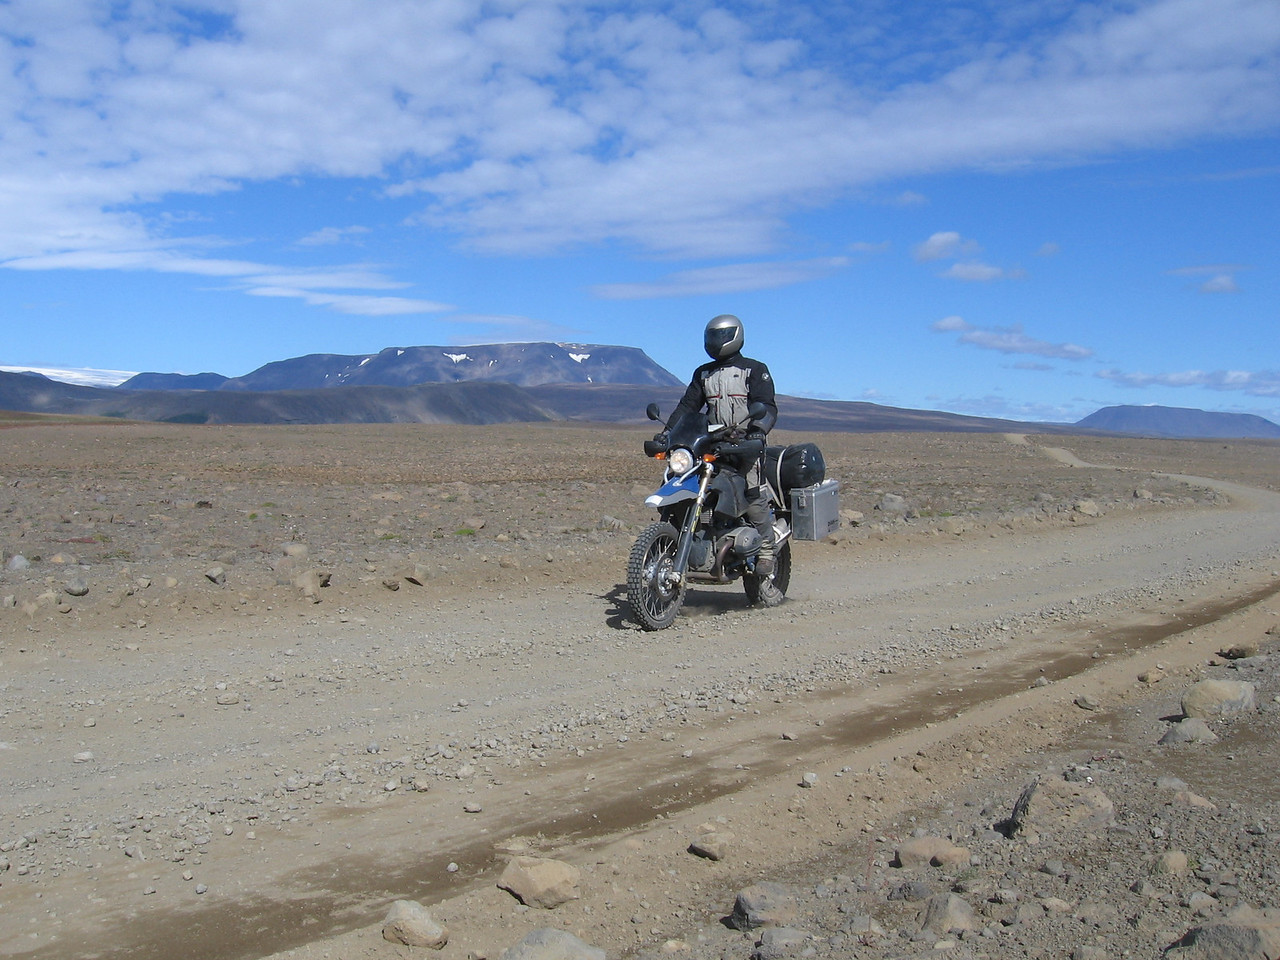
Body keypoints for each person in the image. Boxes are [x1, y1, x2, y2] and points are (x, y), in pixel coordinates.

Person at [656, 314, 780, 575]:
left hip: (745, 444)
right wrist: (668, 433)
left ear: (736, 336)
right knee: (680, 479)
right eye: (712, 336)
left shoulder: (754, 370)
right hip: (711, 443)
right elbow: (688, 407)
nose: (715, 341)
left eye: (721, 336)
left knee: (753, 492)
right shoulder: (703, 373)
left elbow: (766, 406)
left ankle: (767, 551)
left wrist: (757, 432)